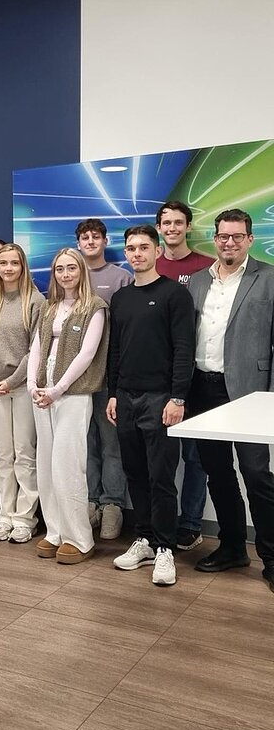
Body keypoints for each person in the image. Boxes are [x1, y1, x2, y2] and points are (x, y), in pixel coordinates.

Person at [188, 209, 274, 589]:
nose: (229, 242)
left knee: (256, 474)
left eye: (237, 236)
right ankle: (233, 547)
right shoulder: (197, 283)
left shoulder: (268, 277)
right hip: (203, 388)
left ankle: (271, 558)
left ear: (249, 239)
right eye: (223, 236)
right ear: (215, 238)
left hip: (250, 392)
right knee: (217, 471)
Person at [107, 225, 195, 586]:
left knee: (161, 478)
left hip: (161, 398)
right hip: (125, 397)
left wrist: (178, 397)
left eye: (144, 247)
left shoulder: (176, 295)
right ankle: (143, 539)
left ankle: (165, 548)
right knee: (135, 473)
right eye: (131, 248)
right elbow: (115, 350)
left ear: (157, 251)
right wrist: (113, 392)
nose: (137, 253)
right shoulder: (121, 298)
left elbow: (183, 350)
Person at [28, 249, 109, 563]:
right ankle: (55, 532)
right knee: (46, 465)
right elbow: (36, 347)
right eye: (59, 269)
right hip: (41, 396)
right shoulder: (49, 308)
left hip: (72, 396)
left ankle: (79, 537)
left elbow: (87, 355)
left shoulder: (95, 308)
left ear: (81, 270)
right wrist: (33, 385)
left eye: (71, 268)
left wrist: (57, 389)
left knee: (68, 465)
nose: (65, 274)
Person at [0, 243, 44, 542]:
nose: (9, 268)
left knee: (25, 455)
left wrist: (13, 381)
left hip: (23, 387)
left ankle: (25, 518)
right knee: (2, 456)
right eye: (3, 263)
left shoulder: (35, 300)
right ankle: (5, 514)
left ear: (22, 266)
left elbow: (36, 349)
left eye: (14, 263)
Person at [156, 200, 214, 552]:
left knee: (195, 457)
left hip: (196, 378)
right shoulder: (149, 264)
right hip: (155, 379)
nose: (173, 228)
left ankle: (191, 524)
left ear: (188, 226)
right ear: (159, 228)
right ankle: (157, 524)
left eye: (179, 222)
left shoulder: (206, 268)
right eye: (167, 223)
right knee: (160, 458)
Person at [76, 218, 131, 540]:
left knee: (111, 445)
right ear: (78, 243)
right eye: (85, 237)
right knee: (86, 445)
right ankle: (90, 501)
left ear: (104, 241)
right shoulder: (71, 278)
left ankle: (112, 505)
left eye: (96, 236)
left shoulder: (120, 277)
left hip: (109, 376)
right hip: (77, 380)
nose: (91, 241)